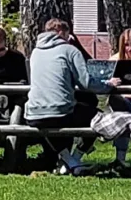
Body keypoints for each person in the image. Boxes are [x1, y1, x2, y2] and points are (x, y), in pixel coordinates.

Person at [23, 18, 105, 174]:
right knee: (99, 118)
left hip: (33, 113)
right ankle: (75, 160)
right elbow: (85, 83)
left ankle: (69, 164)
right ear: (61, 33)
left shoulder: (35, 52)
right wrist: (108, 85)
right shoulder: (70, 50)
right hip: (61, 111)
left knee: (51, 125)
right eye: (68, 34)